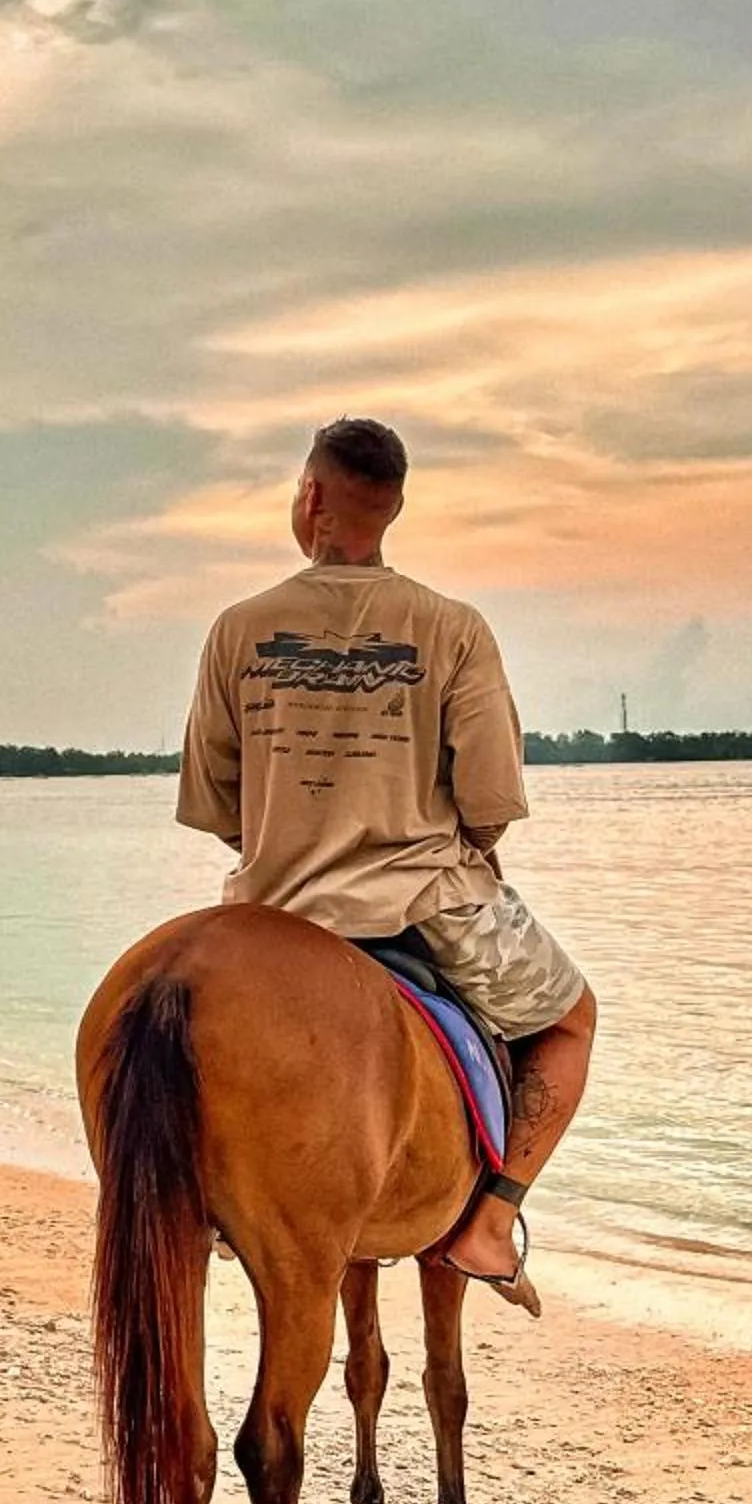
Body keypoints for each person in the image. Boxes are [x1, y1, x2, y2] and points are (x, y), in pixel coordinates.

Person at [176, 417, 595, 1306]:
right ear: (395, 506)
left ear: (311, 496)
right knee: (569, 1022)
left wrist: (290, 841)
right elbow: (489, 802)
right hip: (423, 900)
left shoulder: (238, 629)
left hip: (274, 909)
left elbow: (215, 804)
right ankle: (488, 1224)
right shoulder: (453, 628)